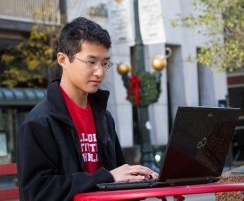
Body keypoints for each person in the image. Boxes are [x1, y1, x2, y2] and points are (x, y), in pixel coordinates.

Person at [17, 17, 158, 200]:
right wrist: (107, 178)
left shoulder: (104, 118)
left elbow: (118, 178)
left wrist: (139, 180)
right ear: (63, 59)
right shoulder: (39, 122)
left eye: (105, 63)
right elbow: (35, 192)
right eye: (91, 62)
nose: (99, 72)